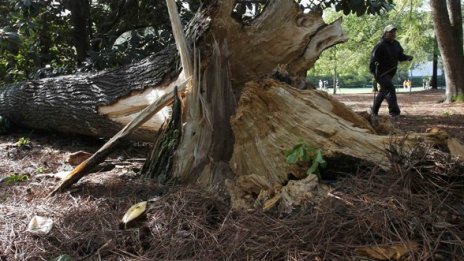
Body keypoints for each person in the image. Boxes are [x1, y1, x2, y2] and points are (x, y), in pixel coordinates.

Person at [369, 25, 413, 120]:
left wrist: (407, 57)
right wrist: (375, 73)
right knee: (390, 89)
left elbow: (400, 56)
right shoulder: (380, 45)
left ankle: (373, 110)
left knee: (383, 92)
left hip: (390, 73)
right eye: (390, 32)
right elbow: (373, 60)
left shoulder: (396, 44)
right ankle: (394, 112)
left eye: (394, 32)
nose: (393, 34)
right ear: (385, 33)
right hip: (381, 74)